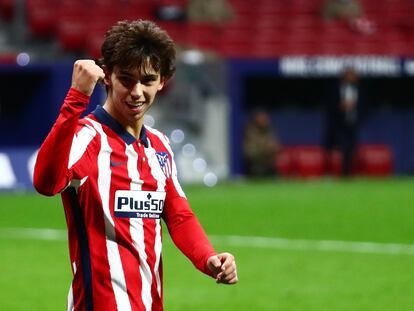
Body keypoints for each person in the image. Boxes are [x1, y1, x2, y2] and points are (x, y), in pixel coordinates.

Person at [33, 20, 237, 311]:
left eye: (148, 80)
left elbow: (178, 215)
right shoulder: (87, 138)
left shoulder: (160, 146)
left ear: (163, 81)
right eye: (126, 79)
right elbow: (45, 182)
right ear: (108, 77)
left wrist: (208, 258)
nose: (137, 91)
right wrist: (76, 98)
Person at [324, 67, 362, 176]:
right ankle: (334, 173)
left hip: (352, 125)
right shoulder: (334, 89)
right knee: (338, 149)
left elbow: (363, 107)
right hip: (338, 126)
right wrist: (341, 106)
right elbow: (330, 106)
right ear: (345, 76)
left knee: (351, 150)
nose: (354, 77)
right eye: (351, 75)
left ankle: (348, 173)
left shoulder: (359, 90)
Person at [243, 109, 280, 177]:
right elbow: (250, 153)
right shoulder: (251, 133)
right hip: (256, 166)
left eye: (265, 118)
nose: (264, 121)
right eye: (262, 118)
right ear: (256, 119)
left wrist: (272, 150)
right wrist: (265, 150)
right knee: (258, 170)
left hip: (269, 165)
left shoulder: (269, 132)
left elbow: (276, 147)